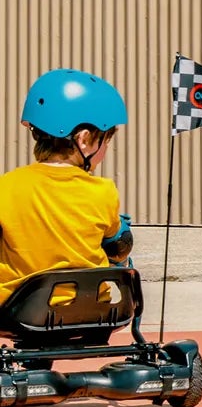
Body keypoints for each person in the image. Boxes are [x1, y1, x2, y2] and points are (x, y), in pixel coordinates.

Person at [0, 70, 133, 306]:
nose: (105, 150)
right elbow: (118, 248)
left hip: (19, 314)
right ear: (83, 140)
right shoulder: (103, 191)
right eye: (105, 140)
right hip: (93, 311)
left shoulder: (6, 187)